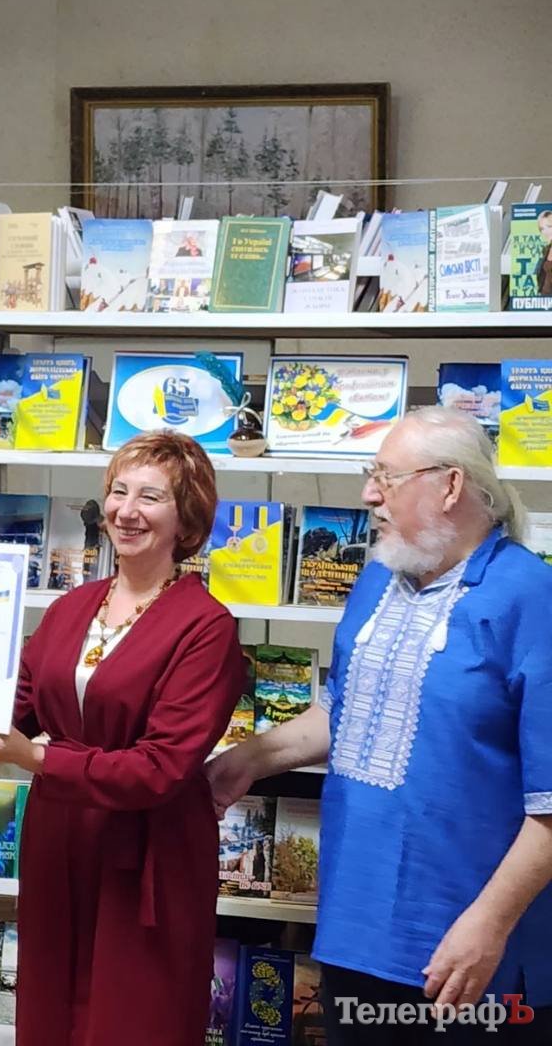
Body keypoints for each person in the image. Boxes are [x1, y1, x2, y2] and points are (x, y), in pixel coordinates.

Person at [0, 431, 247, 1046]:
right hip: (58, 838)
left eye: (151, 497)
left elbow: (159, 768)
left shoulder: (206, 627)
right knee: (51, 1010)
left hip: (149, 852)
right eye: (119, 491)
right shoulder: (71, 608)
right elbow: (9, 716)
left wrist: (38, 758)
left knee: (135, 1020)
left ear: (187, 520)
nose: (127, 511)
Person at [208, 407, 552, 1042]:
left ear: (450, 485)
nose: (369, 494)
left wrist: (489, 924)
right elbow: (345, 711)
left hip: (468, 958)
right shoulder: (377, 580)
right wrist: (247, 760)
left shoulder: (533, 598)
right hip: (353, 933)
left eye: (386, 477)